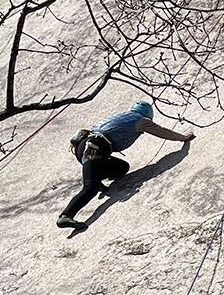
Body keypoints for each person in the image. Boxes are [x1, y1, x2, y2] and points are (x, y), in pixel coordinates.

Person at [57, 98, 194, 232]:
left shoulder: (121, 116)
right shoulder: (141, 120)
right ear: (148, 115)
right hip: (95, 149)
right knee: (89, 189)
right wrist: (183, 137)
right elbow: (162, 131)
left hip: (85, 149)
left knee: (122, 168)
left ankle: (96, 179)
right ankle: (66, 216)